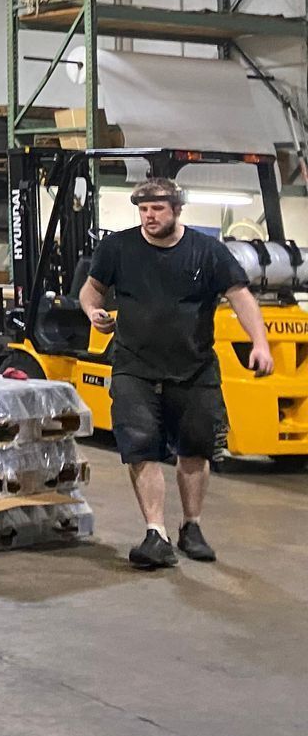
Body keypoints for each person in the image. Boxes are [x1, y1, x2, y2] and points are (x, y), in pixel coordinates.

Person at [79, 177, 273, 569]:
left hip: (194, 367)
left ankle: (191, 526)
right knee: (140, 446)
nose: (149, 216)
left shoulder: (208, 252)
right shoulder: (118, 247)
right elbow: (91, 288)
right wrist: (92, 310)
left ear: (177, 210)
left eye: (157, 209)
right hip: (134, 365)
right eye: (143, 210)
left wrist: (260, 343)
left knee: (196, 449)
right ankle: (156, 533)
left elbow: (240, 297)